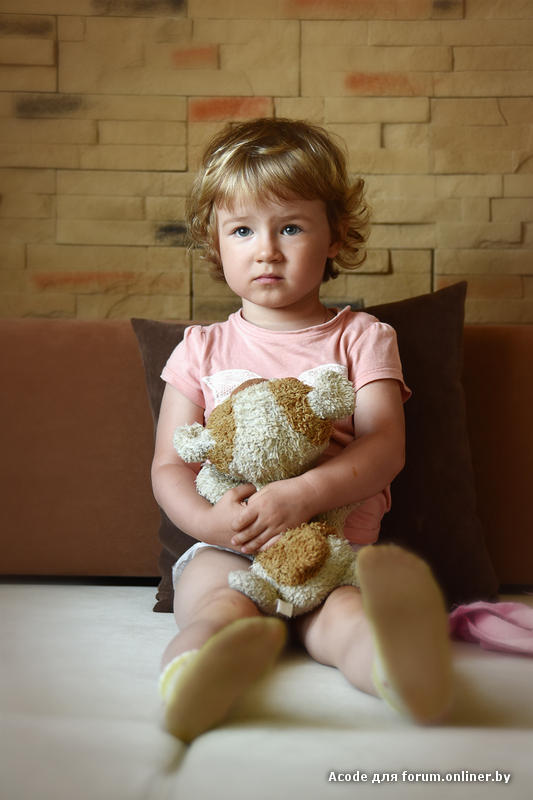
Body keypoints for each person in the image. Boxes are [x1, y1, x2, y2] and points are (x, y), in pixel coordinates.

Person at [152, 118, 452, 742]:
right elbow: (170, 465)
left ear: (335, 236)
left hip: (334, 550)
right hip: (230, 548)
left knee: (350, 618)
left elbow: (385, 446)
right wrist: (211, 524)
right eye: (242, 230)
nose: (266, 249)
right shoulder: (200, 349)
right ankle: (195, 675)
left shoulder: (362, 338)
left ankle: (398, 672)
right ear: (216, 244)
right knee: (219, 605)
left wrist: (302, 495)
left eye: (289, 227)